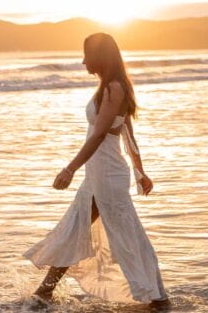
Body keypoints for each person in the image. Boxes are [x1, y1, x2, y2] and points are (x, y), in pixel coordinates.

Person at [22, 32, 172, 311]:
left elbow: (100, 134)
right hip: (99, 174)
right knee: (77, 229)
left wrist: (69, 169)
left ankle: (157, 297)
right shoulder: (110, 86)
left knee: (124, 235)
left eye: (86, 55)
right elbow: (126, 133)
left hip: (107, 175)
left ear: (99, 56)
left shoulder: (114, 88)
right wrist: (141, 172)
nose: (82, 61)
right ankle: (45, 291)